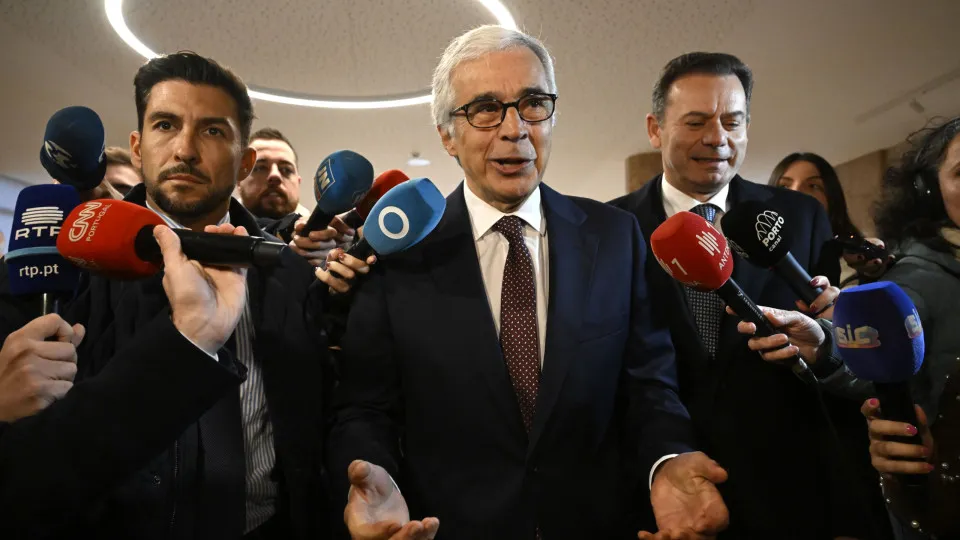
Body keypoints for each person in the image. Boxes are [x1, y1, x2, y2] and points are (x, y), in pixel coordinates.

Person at [327, 25, 729, 540]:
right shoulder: (398, 255)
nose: (515, 129)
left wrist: (666, 460)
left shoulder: (615, 237)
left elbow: (649, 385)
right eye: (485, 108)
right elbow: (365, 407)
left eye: (533, 103)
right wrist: (374, 472)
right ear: (447, 135)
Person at [0, 51, 370, 539]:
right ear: (137, 148)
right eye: (165, 125)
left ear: (244, 163)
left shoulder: (287, 271)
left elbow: (318, 418)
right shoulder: (61, 269)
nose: (185, 150)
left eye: (212, 130)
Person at [609, 52, 888, 539]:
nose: (717, 138)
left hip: (790, 490)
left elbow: (831, 352)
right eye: (696, 122)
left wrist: (824, 340)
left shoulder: (799, 216)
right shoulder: (611, 228)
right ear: (655, 129)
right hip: (665, 494)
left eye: (732, 122)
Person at [768, 152, 889, 287]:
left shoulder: (851, 261)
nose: (795, 192)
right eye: (784, 186)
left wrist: (872, 271)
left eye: (813, 186)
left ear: (832, 199)